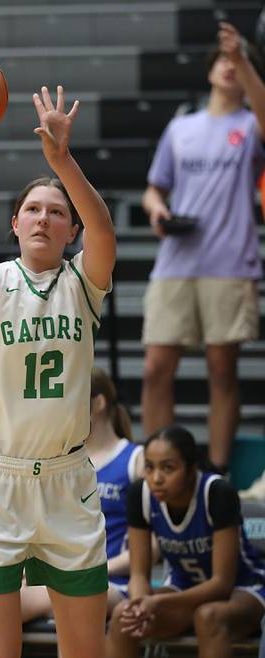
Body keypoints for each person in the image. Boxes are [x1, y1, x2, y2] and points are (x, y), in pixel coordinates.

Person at [0, 83, 116, 658]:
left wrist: (61, 162)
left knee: (84, 649)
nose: (44, 218)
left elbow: (106, 230)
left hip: (67, 483)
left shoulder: (86, 282)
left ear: (72, 230)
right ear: (15, 224)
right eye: (32, 210)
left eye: (57, 213)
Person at [140, 22, 265, 475]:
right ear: (210, 70)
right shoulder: (181, 127)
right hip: (176, 260)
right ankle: (158, 462)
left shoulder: (251, 123)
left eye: (238, 62)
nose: (230, 67)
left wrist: (245, 58)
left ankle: (215, 469)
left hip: (230, 261)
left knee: (221, 369)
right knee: (156, 367)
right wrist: (157, 212)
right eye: (224, 60)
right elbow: (154, 189)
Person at [106, 425, 265, 658]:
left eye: (168, 468)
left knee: (208, 616)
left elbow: (221, 584)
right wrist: (139, 603)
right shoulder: (141, 494)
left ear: (191, 470)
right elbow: (139, 575)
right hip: (182, 588)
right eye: (149, 467)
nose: (156, 478)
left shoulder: (216, 492)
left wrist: (160, 603)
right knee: (124, 616)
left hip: (243, 589)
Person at [20, 367, 146, 623]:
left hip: (115, 580)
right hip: (64, 576)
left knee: (66, 597)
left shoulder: (136, 459)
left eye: (69, 400)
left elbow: (152, 545)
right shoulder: (59, 460)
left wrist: (90, 570)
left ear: (98, 403)